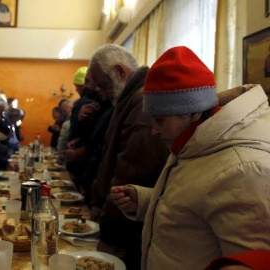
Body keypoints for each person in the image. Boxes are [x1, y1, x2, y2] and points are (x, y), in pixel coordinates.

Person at [110, 46, 270, 269]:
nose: (154, 130)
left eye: (160, 120)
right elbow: (193, 210)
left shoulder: (243, 170)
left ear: (194, 112)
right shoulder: (194, 141)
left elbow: (246, 262)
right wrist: (146, 200)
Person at [88, 45, 169, 270]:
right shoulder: (130, 98)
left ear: (120, 72)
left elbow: (132, 176)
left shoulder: (142, 102)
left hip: (126, 229)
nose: (99, 92)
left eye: (102, 85)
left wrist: (108, 230)